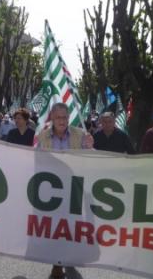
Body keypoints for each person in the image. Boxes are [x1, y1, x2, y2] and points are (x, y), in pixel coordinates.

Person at [37, 102, 94, 278]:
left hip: (74, 188)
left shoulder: (80, 134)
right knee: (55, 226)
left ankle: (67, 257)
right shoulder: (43, 137)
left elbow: (92, 159)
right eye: (58, 117)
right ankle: (57, 264)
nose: (62, 120)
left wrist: (90, 146)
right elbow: (36, 160)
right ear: (52, 118)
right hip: (52, 190)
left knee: (71, 226)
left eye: (65, 117)